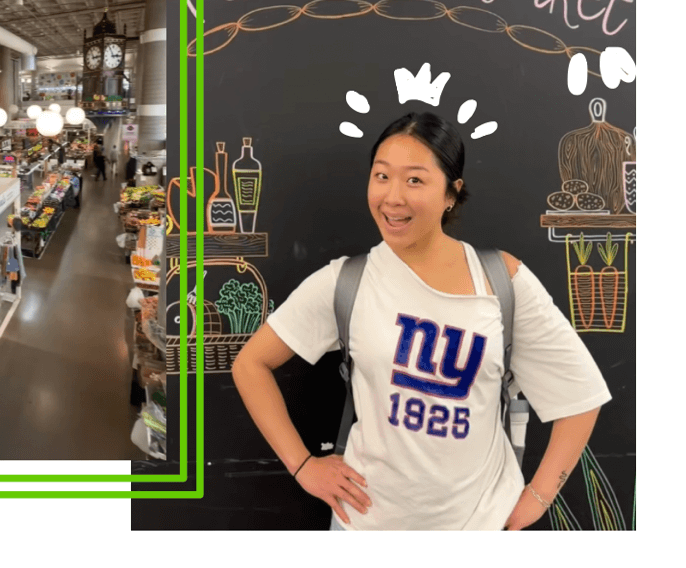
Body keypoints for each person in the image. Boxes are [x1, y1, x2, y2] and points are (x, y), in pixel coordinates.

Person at [231, 112, 610, 531]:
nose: (393, 197)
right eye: (381, 176)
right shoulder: (347, 281)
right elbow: (250, 364)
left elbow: (580, 396)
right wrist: (303, 466)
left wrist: (537, 499)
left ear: (452, 193)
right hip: (367, 526)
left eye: (415, 180)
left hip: (479, 525)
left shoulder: (502, 281)